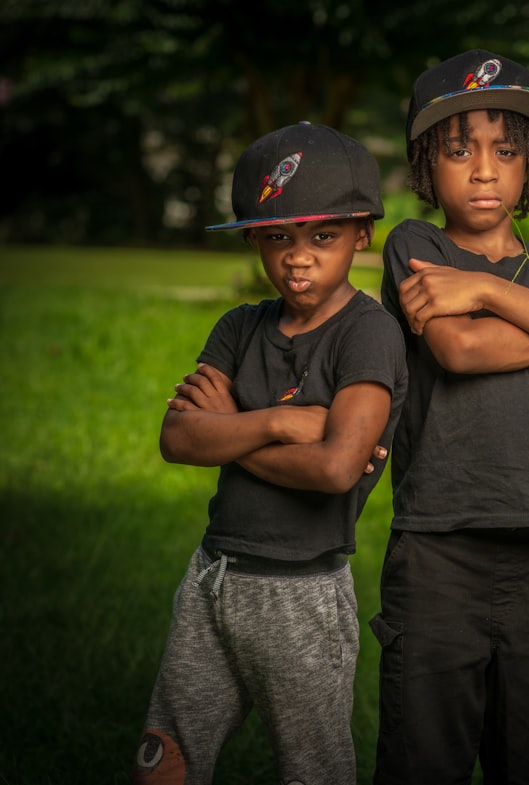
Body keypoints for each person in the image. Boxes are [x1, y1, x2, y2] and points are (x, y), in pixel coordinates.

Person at [369, 49, 529, 785]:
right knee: (425, 758)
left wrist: (486, 293)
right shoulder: (417, 246)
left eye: (505, 150)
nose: (484, 169)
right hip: (438, 549)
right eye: (459, 151)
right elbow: (457, 349)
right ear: (428, 166)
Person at [131, 122, 407, 785]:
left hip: (302, 591)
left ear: (361, 231)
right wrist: (281, 421)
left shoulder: (368, 334)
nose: (298, 257)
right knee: (164, 754)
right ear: (254, 237)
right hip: (212, 576)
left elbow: (338, 467)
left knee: (313, 770)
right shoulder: (239, 326)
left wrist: (230, 427)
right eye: (277, 236)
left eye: (322, 236)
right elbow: (178, 438)